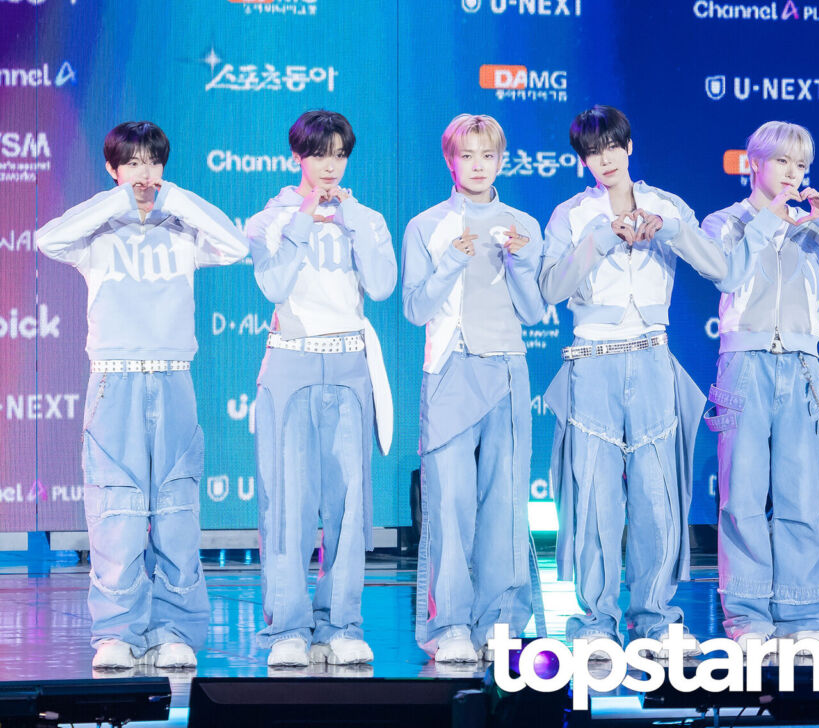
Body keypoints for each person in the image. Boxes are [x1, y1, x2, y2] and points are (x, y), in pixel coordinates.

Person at [36, 121, 249, 669]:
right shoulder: (97, 236)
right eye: (131, 163)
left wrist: (173, 199)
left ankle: (174, 628)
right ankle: (117, 633)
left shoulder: (181, 232)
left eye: (152, 162)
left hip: (173, 378)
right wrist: (116, 203)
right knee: (116, 512)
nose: (143, 174)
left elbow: (235, 245)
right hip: (115, 382)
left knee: (177, 509)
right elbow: (48, 238)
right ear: (112, 169)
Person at [541, 105, 748, 652]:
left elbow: (725, 270)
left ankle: (654, 616)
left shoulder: (666, 205)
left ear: (629, 147)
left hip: (653, 356)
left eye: (613, 147)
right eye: (593, 152)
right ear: (583, 159)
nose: (605, 159)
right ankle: (597, 620)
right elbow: (551, 288)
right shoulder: (571, 215)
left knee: (658, 495)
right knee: (594, 496)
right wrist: (600, 239)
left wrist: (672, 231)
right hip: (591, 358)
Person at [701, 120, 819, 652]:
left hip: (800, 366)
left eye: (801, 165)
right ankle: (747, 615)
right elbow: (727, 275)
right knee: (743, 497)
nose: (793, 173)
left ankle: (803, 614)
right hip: (744, 364)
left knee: (801, 497)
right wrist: (765, 222)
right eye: (782, 161)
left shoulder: (812, 230)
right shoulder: (724, 222)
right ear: (754, 163)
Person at [246, 110, 396, 668]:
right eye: (318, 154)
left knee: (349, 505)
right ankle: (286, 627)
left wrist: (349, 219)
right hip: (291, 366)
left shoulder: (367, 218)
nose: (330, 166)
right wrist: (304, 220)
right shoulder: (269, 220)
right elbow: (272, 284)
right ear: (297, 157)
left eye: (339, 155)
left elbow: (382, 285)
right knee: (287, 503)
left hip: (350, 366)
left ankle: (341, 623)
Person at [402, 114, 547, 663]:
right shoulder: (427, 226)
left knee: (505, 504)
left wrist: (520, 262)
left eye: (488, 155)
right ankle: (449, 625)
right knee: (450, 504)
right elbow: (415, 308)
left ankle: (501, 621)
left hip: (506, 369)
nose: (478, 165)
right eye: (467, 155)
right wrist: (450, 262)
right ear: (451, 161)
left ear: (501, 160)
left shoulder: (521, 224)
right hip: (449, 371)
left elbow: (534, 312)